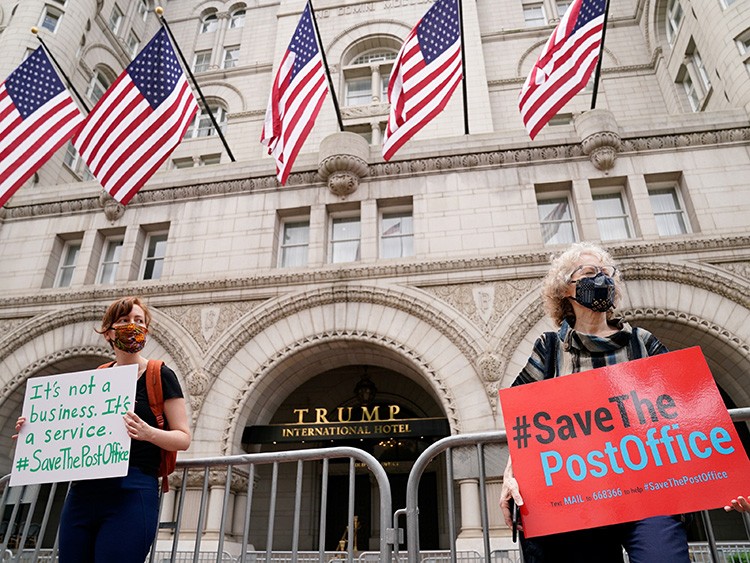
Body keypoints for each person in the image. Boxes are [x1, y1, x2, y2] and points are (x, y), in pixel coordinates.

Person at [499, 242, 691, 563]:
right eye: (589, 273)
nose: (601, 279)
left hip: (649, 492)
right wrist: (510, 473)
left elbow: (689, 408)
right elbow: (524, 423)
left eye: (607, 273)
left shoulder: (642, 343)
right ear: (565, 290)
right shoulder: (549, 349)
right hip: (578, 498)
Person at [14, 296, 191, 563]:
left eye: (139, 321)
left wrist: (147, 433)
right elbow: (72, 429)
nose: (132, 326)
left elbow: (183, 438)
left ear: (146, 330)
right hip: (83, 493)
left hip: (132, 490)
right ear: (108, 332)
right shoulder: (96, 378)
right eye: (124, 321)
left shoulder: (160, 375)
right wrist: (33, 431)